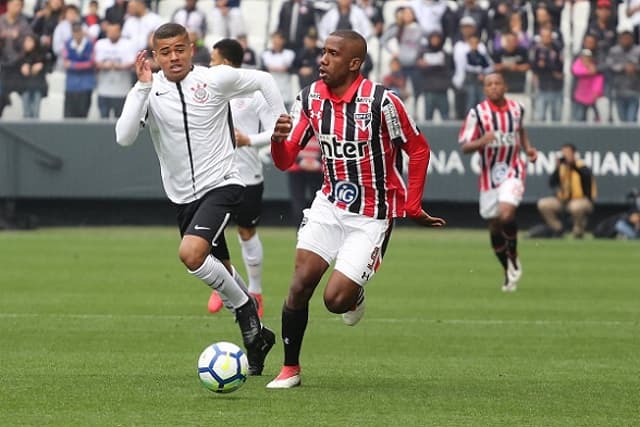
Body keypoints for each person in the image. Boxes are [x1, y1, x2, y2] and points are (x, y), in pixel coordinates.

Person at [265, 30, 446, 389]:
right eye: (322, 52)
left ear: (354, 63)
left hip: (372, 214)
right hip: (329, 204)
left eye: (332, 54)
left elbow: (419, 149)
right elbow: (286, 161)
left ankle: (354, 294)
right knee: (300, 284)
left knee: (335, 301)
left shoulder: (382, 102)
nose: (323, 59)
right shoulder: (310, 98)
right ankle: (290, 369)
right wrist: (276, 139)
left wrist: (411, 205)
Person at [115, 23, 285, 376]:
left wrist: (282, 121)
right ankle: (259, 336)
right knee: (219, 268)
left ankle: (247, 314)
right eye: (165, 52)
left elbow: (265, 81)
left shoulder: (215, 78)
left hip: (224, 183)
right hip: (183, 198)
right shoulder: (150, 90)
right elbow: (124, 137)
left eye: (180, 49)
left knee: (191, 254)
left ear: (192, 48)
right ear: (155, 56)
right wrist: (143, 86)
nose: (174, 57)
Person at [206, 38, 278, 318]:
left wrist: (249, 140)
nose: (209, 64)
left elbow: (275, 130)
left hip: (247, 176)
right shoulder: (207, 89)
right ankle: (223, 284)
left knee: (246, 233)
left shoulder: (254, 91)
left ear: (224, 62)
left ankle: (256, 291)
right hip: (214, 175)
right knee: (210, 235)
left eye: (213, 59)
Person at [458, 72, 538, 292]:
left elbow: (520, 131)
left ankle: (513, 255)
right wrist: (482, 141)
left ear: (505, 86)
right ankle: (507, 269)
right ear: (485, 90)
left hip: (513, 168)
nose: (493, 87)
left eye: (497, 83)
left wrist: (528, 149)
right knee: (494, 225)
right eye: (489, 84)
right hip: (489, 175)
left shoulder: (516, 109)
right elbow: (465, 146)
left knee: (506, 213)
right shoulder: (477, 113)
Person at [537, 144, 597, 238]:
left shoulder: (582, 167)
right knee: (543, 204)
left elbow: (585, 177)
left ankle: (578, 232)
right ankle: (558, 229)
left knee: (575, 207)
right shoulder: (562, 168)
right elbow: (551, 183)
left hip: (582, 200)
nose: (565, 155)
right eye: (563, 153)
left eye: (567, 153)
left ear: (574, 154)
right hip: (564, 201)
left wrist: (572, 165)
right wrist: (557, 168)